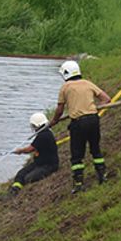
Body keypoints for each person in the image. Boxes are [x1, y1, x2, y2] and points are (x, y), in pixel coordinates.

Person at [48, 60, 111, 193]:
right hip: (94, 120)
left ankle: (78, 183)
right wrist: (93, 110)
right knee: (96, 149)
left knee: (77, 154)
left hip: (78, 123)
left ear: (66, 73)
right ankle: (102, 176)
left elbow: (60, 110)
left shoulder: (66, 87)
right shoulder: (88, 83)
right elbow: (106, 99)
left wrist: (54, 121)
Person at [5, 112, 59, 197]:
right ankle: (14, 191)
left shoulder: (44, 135)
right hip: (39, 163)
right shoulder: (43, 132)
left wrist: (20, 151)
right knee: (21, 174)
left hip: (49, 165)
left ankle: (19, 192)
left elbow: (30, 149)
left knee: (28, 178)